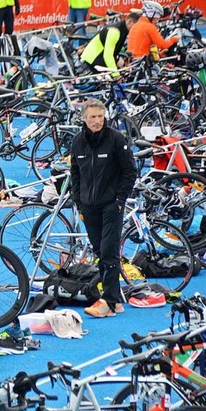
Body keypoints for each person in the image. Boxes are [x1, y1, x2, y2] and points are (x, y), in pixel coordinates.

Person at [70, 99, 136, 318]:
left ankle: (107, 301)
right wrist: (78, 201)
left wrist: (120, 200)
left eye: (100, 116)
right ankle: (116, 300)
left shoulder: (116, 139)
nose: (97, 121)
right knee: (100, 251)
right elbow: (75, 174)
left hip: (111, 205)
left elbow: (130, 171)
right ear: (84, 119)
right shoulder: (78, 142)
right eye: (93, 117)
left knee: (108, 250)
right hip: (88, 206)